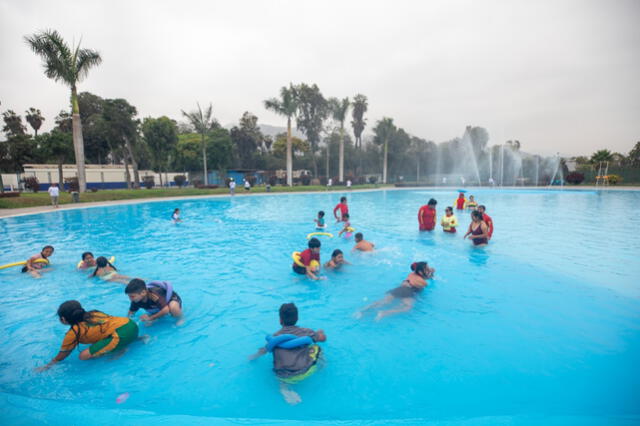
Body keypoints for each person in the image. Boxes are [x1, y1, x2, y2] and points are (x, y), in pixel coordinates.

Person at [248, 303, 326, 405]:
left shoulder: (275, 338)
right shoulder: (306, 332)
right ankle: (322, 368)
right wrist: (319, 333)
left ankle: (283, 387)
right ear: (297, 318)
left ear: (280, 320)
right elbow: (323, 339)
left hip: (284, 376)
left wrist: (253, 357)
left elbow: (264, 350)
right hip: (307, 370)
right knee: (317, 348)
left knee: (280, 369)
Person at [36, 300, 139, 371]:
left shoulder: (73, 333)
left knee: (83, 356)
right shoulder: (94, 313)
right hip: (131, 324)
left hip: (122, 335)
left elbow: (63, 354)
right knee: (106, 336)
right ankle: (136, 339)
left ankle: (121, 349)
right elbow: (106, 327)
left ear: (63, 319)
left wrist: (48, 366)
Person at [355, 262, 435, 321]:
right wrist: (432, 274)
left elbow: (422, 275)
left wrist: (429, 271)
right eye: (427, 269)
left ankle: (362, 311)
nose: (429, 270)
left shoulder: (411, 274)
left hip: (399, 288)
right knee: (407, 307)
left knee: (383, 302)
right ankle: (384, 313)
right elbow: (426, 280)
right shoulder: (423, 282)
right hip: (408, 291)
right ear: (421, 272)